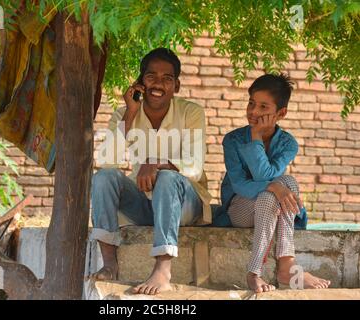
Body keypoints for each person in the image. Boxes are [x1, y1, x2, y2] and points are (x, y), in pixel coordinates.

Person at [89, 48, 212, 295]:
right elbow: (107, 161)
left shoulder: (191, 112)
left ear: (176, 86)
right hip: (145, 206)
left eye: (167, 78)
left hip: (185, 204)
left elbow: (195, 166)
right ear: (140, 83)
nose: (158, 83)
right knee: (103, 179)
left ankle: (163, 269)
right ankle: (110, 263)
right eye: (151, 76)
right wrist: (131, 113)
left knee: (166, 177)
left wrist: (156, 163)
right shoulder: (124, 115)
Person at [219, 73, 331, 292]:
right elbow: (241, 185)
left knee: (282, 184)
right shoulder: (232, 140)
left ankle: (263, 271)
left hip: (269, 208)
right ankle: (284, 268)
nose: (253, 112)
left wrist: (275, 186)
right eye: (251, 103)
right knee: (280, 185)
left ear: (281, 113)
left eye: (263, 107)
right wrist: (255, 136)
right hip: (240, 209)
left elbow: (265, 174)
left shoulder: (288, 144)